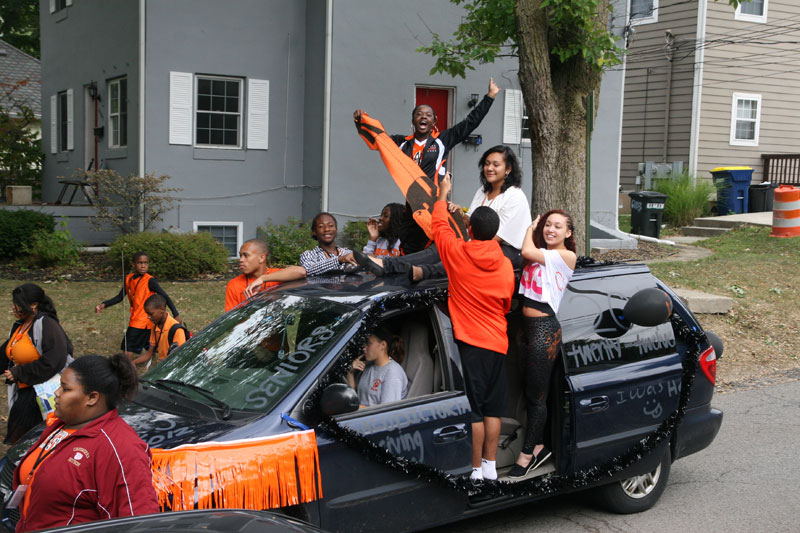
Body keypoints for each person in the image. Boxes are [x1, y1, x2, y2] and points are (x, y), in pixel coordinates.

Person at [10, 354, 158, 532]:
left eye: (65, 389)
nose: (56, 393)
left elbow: (139, 522)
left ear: (92, 398)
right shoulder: (62, 425)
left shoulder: (122, 448)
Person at [354, 78, 501, 255]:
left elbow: (470, 123)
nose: (423, 116)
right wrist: (361, 122)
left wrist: (490, 96)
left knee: (436, 249)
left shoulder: (442, 141)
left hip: (434, 207)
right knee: (408, 249)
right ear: (413, 121)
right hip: (412, 208)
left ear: (434, 121)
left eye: (428, 115)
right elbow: (379, 140)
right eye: (419, 114)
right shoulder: (401, 143)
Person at [431, 174, 515, 482]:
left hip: (471, 345)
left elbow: (438, 226)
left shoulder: (458, 253)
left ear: (469, 229)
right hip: (498, 343)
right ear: (495, 234)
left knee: (475, 411)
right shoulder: (505, 263)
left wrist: (443, 193)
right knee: (493, 409)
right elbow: (506, 303)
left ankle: (476, 468)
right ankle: (492, 466)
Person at [357, 145, 531, 280]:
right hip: (478, 246)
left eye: (496, 164)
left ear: (508, 169)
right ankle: (385, 264)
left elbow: (495, 237)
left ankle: (417, 271)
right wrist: (459, 213)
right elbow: (470, 224)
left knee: (456, 253)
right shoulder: (482, 192)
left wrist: (462, 247)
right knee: (441, 247)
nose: (489, 168)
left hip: (506, 252)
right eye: (486, 164)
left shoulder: (515, 196)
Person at [509, 209, 577, 479]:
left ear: (568, 233)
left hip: (543, 331)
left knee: (538, 397)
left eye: (557, 226)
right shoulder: (542, 255)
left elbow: (526, 251)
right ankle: (534, 441)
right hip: (525, 330)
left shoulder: (565, 256)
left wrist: (530, 228)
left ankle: (530, 452)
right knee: (527, 392)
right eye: (547, 225)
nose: (550, 230)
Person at [1, 284, 73, 444]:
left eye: (18, 303)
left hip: (40, 393)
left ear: (33, 305)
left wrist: (20, 372)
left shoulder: (47, 325)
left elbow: (54, 361)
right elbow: (7, 352)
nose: (14, 307)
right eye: (14, 303)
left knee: (28, 439)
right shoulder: (21, 326)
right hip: (25, 388)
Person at [95, 252, 180, 360]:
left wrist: (176, 314)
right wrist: (104, 304)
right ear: (133, 264)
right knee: (151, 345)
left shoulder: (150, 281)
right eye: (140, 263)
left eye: (146, 263)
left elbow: (165, 296)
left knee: (127, 347)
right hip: (137, 318)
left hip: (142, 320)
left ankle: (128, 367)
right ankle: (170, 353)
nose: (143, 266)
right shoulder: (129, 279)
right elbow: (120, 297)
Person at [225, 239, 306, 311]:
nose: (241, 260)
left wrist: (262, 279)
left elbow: (301, 272)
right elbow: (231, 321)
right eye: (240, 256)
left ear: (262, 258)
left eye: (246, 255)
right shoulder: (234, 285)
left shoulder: (278, 277)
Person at [346, 327, 407, 407]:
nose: (364, 347)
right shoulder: (368, 366)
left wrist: (350, 407)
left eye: (368, 343)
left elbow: (387, 411)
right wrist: (350, 372)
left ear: (383, 345)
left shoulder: (393, 373)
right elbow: (355, 394)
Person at [132, 294, 186, 366]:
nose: (148, 317)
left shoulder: (177, 330)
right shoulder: (155, 327)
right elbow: (149, 353)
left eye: (151, 314)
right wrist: (133, 363)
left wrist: (164, 361)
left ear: (162, 309)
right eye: (147, 314)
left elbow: (180, 357)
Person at [298, 212, 358, 276]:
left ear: (336, 229)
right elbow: (308, 270)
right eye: (321, 226)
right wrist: (339, 260)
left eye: (331, 225)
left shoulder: (347, 253)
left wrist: (370, 238)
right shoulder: (308, 255)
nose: (327, 229)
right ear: (314, 232)